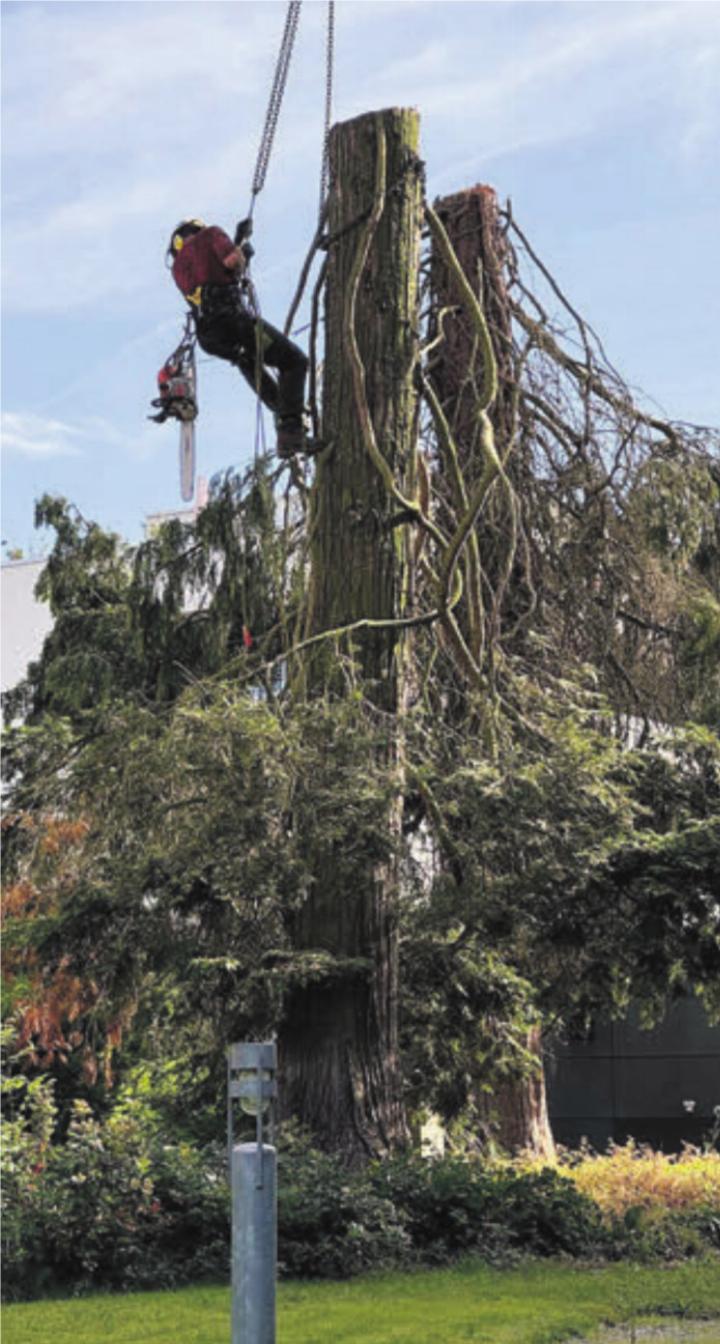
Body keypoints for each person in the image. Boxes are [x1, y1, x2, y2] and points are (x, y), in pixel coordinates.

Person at [168, 218, 313, 458]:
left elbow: (212, 275)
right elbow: (231, 263)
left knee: (247, 360)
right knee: (294, 361)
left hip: (211, 337)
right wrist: (241, 253)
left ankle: (286, 418)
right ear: (198, 229)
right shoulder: (211, 234)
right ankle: (290, 430)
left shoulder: (178, 268)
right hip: (234, 321)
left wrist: (237, 244)